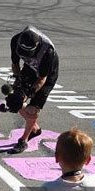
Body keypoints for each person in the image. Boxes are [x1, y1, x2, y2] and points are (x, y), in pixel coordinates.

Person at [8, 25, 59, 154]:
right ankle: (35, 129)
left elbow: (42, 79)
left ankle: (24, 140)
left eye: (29, 54)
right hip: (30, 69)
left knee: (32, 110)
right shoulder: (15, 40)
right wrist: (19, 85)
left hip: (46, 75)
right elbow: (15, 64)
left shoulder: (48, 52)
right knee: (15, 101)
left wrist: (29, 93)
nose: (26, 56)